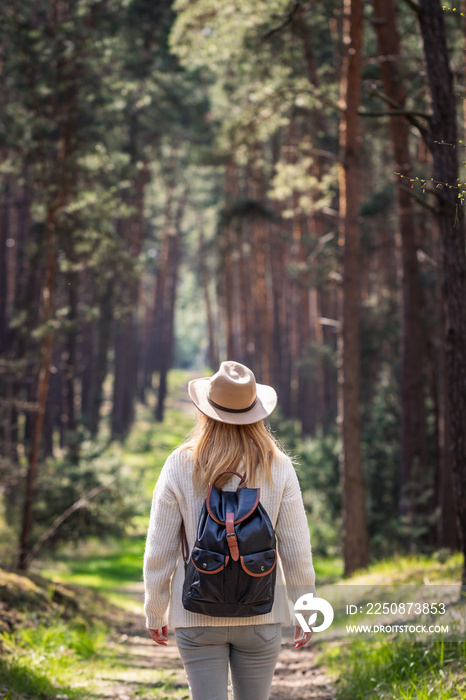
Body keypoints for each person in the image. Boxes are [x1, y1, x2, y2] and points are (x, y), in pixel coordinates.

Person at [143, 361, 316, 700]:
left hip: (197, 614)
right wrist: (305, 610)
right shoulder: (277, 466)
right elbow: (296, 550)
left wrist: (155, 609)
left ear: (205, 412)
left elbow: (159, 549)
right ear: (257, 414)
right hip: (261, 611)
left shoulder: (179, 464)